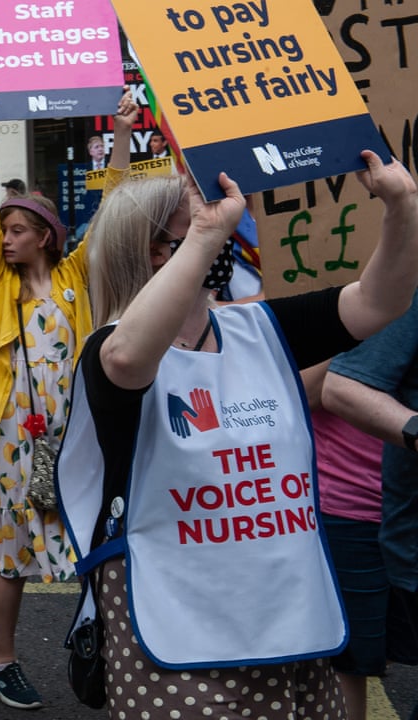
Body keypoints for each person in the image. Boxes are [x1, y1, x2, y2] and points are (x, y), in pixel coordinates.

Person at [55, 148, 418, 719]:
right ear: (156, 251)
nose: (224, 226)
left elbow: (380, 302)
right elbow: (127, 360)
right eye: (199, 220)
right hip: (182, 635)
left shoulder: (261, 328)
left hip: (288, 623)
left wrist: (403, 203)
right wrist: (204, 234)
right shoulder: (111, 347)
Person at [0, 84, 136, 710]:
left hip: (77, 434)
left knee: (96, 542)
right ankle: (3, 662)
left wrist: (120, 131)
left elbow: (113, 205)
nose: (5, 239)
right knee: (12, 553)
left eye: (18, 231)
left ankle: (105, 643)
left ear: (44, 236)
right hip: (15, 436)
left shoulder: (73, 278)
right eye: (5, 231)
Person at [300, 360, 418, 720]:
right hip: (346, 510)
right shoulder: (359, 315)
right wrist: (360, 333)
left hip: (407, 514)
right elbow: (304, 393)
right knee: (348, 660)